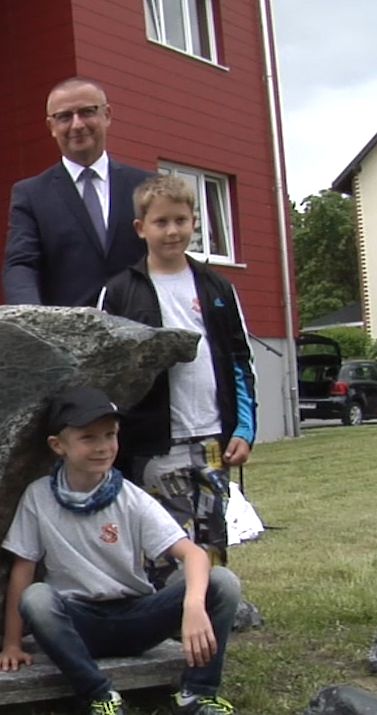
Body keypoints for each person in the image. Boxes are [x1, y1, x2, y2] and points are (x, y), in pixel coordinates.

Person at [0, 386, 242, 715]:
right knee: (37, 598)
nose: (103, 447)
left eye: (110, 435)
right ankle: (100, 696)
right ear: (58, 445)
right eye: (88, 437)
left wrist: (193, 606)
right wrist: (11, 644)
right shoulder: (38, 497)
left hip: (136, 616)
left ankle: (197, 693)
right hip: (79, 623)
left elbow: (192, 554)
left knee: (223, 582)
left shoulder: (130, 497)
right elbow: (22, 569)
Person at [99, 175, 256, 584]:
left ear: (194, 223)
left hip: (211, 436)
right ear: (141, 228)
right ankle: (168, 619)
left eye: (181, 221)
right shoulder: (120, 291)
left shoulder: (217, 286)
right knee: (164, 540)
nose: (172, 231)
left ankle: (212, 611)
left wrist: (244, 427)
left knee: (211, 535)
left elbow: (240, 359)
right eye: (161, 222)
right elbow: (105, 370)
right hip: (153, 441)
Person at [1, 77, 154, 307]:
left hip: (141, 327)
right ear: (51, 127)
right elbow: (21, 265)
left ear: (107, 115)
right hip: (69, 336)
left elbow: (168, 252)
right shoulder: (31, 195)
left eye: (87, 112)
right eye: (64, 117)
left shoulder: (145, 185)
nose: (77, 124)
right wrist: (30, 317)